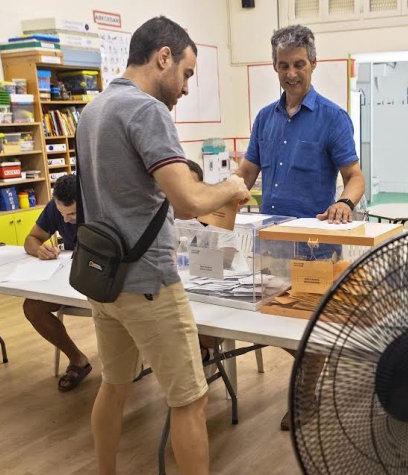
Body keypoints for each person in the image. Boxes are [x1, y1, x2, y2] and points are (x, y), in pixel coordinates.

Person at [75, 16, 250, 475]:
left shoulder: (93, 111)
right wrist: (231, 187)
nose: (186, 88)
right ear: (163, 57)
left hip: (104, 280)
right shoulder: (147, 111)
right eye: (186, 73)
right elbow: (188, 200)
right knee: (190, 400)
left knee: (114, 386)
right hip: (148, 282)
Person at [235, 25, 365, 431]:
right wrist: (220, 198)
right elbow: (246, 174)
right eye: (283, 65)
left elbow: (355, 176)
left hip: (314, 245)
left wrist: (344, 203)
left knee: (310, 327)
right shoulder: (264, 119)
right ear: (274, 67)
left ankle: (305, 399)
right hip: (269, 242)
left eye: (298, 64)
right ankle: (312, 375)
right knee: (268, 321)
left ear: (313, 63)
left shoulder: (332, 118)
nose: (291, 73)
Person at [22, 174, 90, 391]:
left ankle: (127, 364)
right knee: (32, 307)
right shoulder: (55, 207)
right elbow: (31, 239)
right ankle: (77, 359)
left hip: (102, 281)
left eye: (73, 214)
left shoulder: (100, 206)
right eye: (62, 214)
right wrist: (38, 250)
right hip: (69, 280)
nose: (66, 219)